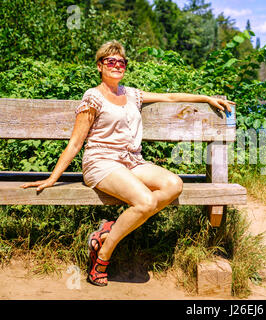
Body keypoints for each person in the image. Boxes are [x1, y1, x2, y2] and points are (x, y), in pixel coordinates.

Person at [20, 40, 235, 286]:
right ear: (100, 66)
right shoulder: (93, 97)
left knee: (174, 184)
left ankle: (105, 232)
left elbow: (170, 96)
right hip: (101, 162)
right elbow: (76, 142)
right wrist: (52, 178)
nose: (117, 65)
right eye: (110, 61)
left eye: (121, 62)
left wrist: (206, 98)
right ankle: (102, 255)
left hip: (131, 161)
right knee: (145, 201)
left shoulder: (132, 94)